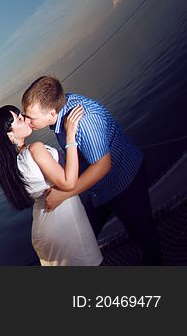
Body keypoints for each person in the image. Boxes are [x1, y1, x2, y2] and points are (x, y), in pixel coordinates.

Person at [21, 76, 161, 265]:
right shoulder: (59, 110)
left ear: (52, 114)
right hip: (98, 189)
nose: (27, 121)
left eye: (31, 117)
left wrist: (63, 194)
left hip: (125, 182)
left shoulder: (84, 121)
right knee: (84, 234)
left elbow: (103, 165)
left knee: (145, 238)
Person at [0, 104, 102, 265]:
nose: (25, 119)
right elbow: (68, 183)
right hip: (63, 222)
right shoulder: (35, 149)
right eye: (19, 119)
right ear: (10, 136)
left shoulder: (13, 166)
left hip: (44, 226)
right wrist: (70, 136)